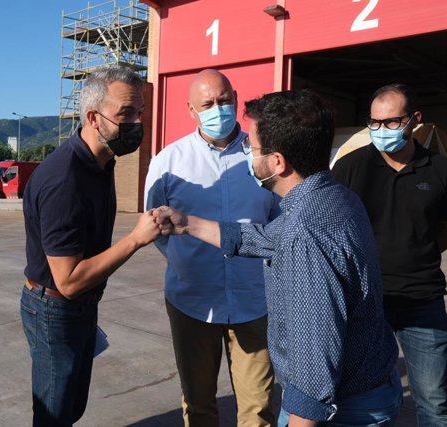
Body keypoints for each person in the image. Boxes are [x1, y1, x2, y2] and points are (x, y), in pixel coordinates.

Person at [154, 89, 402, 426]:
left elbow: (313, 364)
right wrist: (188, 224)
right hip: (370, 388)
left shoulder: (304, 235)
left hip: (342, 409)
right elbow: (266, 238)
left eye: (252, 148)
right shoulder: (332, 198)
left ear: (277, 162)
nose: (247, 154)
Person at [21, 64, 161, 427]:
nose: (136, 123)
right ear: (93, 118)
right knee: (54, 415)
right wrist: (135, 240)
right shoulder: (64, 179)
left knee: (71, 407)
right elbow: (68, 280)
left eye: (140, 112)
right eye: (125, 113)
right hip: (56, 308)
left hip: (80, 306)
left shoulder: (103, 161)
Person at [144, 69, 279, 426]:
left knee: (258, 408)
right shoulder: (168, 162)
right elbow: (154, 228)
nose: (217, 109)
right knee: (199, 405)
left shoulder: (264, 155)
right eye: (207, 104)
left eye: (223, 100)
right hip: (193, 302)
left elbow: (281, 222)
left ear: (235, 98)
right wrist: (186, 262)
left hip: (255, 301)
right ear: (191, 110)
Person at [333, 83, 447, 426]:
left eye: (392, 122)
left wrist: (417, 250)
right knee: (363, 402)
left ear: (414, 119)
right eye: (375, 123)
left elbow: (444, 228)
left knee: (435, 402)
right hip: (366, 301)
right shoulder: (351, 167)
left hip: (421, 301)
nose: (381, 131)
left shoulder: (440, 170)